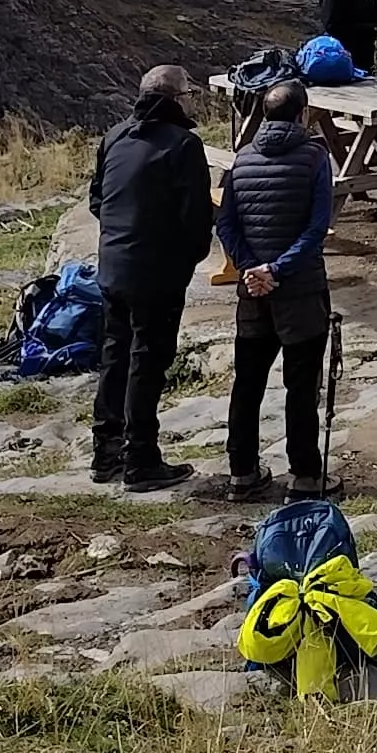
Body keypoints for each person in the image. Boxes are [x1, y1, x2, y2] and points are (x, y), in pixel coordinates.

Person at [85, 65, 213, 488]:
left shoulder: (116, 135)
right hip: (156, 273)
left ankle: (106, 454)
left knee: (115, 356)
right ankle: (141, 459)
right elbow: (195, 218)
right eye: (189, 93)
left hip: (113, 267)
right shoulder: (184, 145)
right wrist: (187, 260)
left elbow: (97, 199)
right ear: (176, 99)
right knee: (148, 361)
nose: (193, 100)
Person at [214, 79, 339, 498]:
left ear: (264, 114)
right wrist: (278, 268)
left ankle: (242, 472)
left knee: (247, 382)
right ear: (302, 114)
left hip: (253, 293)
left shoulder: (242, 160)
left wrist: (251, 268)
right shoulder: (314, 157)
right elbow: (316, 227)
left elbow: (226, 223)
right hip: (300, 290)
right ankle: (304, 474)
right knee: (301, 385)